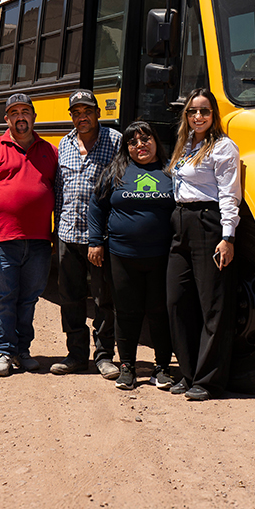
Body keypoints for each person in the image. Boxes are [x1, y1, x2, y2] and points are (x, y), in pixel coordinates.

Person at [0, 93, 57, 377]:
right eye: (15, 113)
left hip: (39, 240)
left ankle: (23, 351)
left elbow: (57, 192)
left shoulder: (49, 150)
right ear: (6, 118)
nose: (21, 117)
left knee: (29, 298)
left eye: (25, 112)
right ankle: (3, 352)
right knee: (3, 298)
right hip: (2, 240)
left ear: (34, 116)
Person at [87, 121, 176, 391]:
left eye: (145, 139)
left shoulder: (171, 171)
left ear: (156, 141)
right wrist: (95, 242)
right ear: (127, 148)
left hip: (161, 257)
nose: (140, 145)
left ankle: (162, 368)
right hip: (122, 256)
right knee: (126, 312)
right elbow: (96, 206)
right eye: (133, 142)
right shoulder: (116, 171)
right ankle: (127, 367)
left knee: (160, 312)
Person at [166, 89, 241, 401]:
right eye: (192, 111)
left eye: (204, 111)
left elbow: (229, 194)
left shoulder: (223, 147)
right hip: (180, 221)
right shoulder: (185, 145)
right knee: (177, 299)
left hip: (208, 223)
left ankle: (208, 381)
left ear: (214, 115)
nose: (198, 117)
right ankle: (188, 373)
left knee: (213, 305)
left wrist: (228, 237)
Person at [50, 90, 123, 379]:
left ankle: (104, 356)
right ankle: (76, 355)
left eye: (87, 111)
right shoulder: (64, 143)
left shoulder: (115, 141)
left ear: (98, 113)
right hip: (68, 233)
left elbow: (120, 188)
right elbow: (60, 189)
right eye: (77, 113)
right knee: (70, 297)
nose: (82, 117)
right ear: (71, 116)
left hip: (100, 238)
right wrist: (56, 229)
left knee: (104, 299)